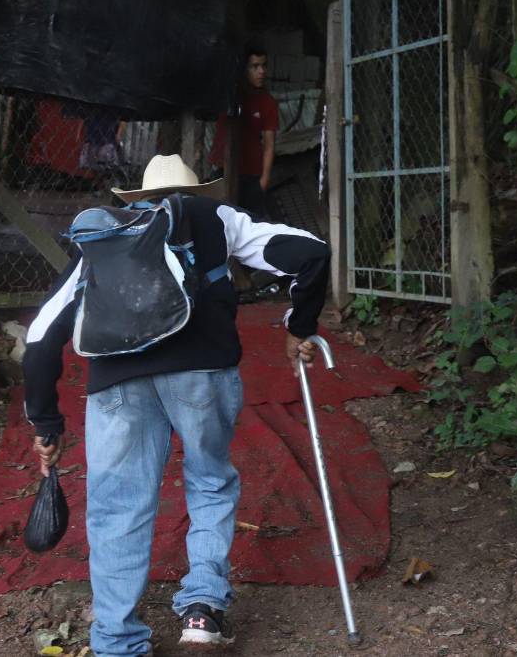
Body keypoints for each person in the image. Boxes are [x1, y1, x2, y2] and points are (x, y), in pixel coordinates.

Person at [22, 154, 329, 657]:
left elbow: (40, 337)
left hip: (117, 380)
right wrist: (299, 327)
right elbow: (311, 253)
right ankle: (201, 612)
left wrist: (46, 421)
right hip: (202, 373)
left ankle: (116, 641)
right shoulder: (215, 218)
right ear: (198, 192)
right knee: (209, 479)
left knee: (118, 504)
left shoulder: (104, 238)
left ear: (137, 201)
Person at [209, 42, 279, 218]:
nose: (261, 71)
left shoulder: (268, 102)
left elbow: (269, 144)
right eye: (255, 66)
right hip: (222, 171)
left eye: (264, 66)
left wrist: (264, 180)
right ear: (244, 69)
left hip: (251, 176)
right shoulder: (229, 95)